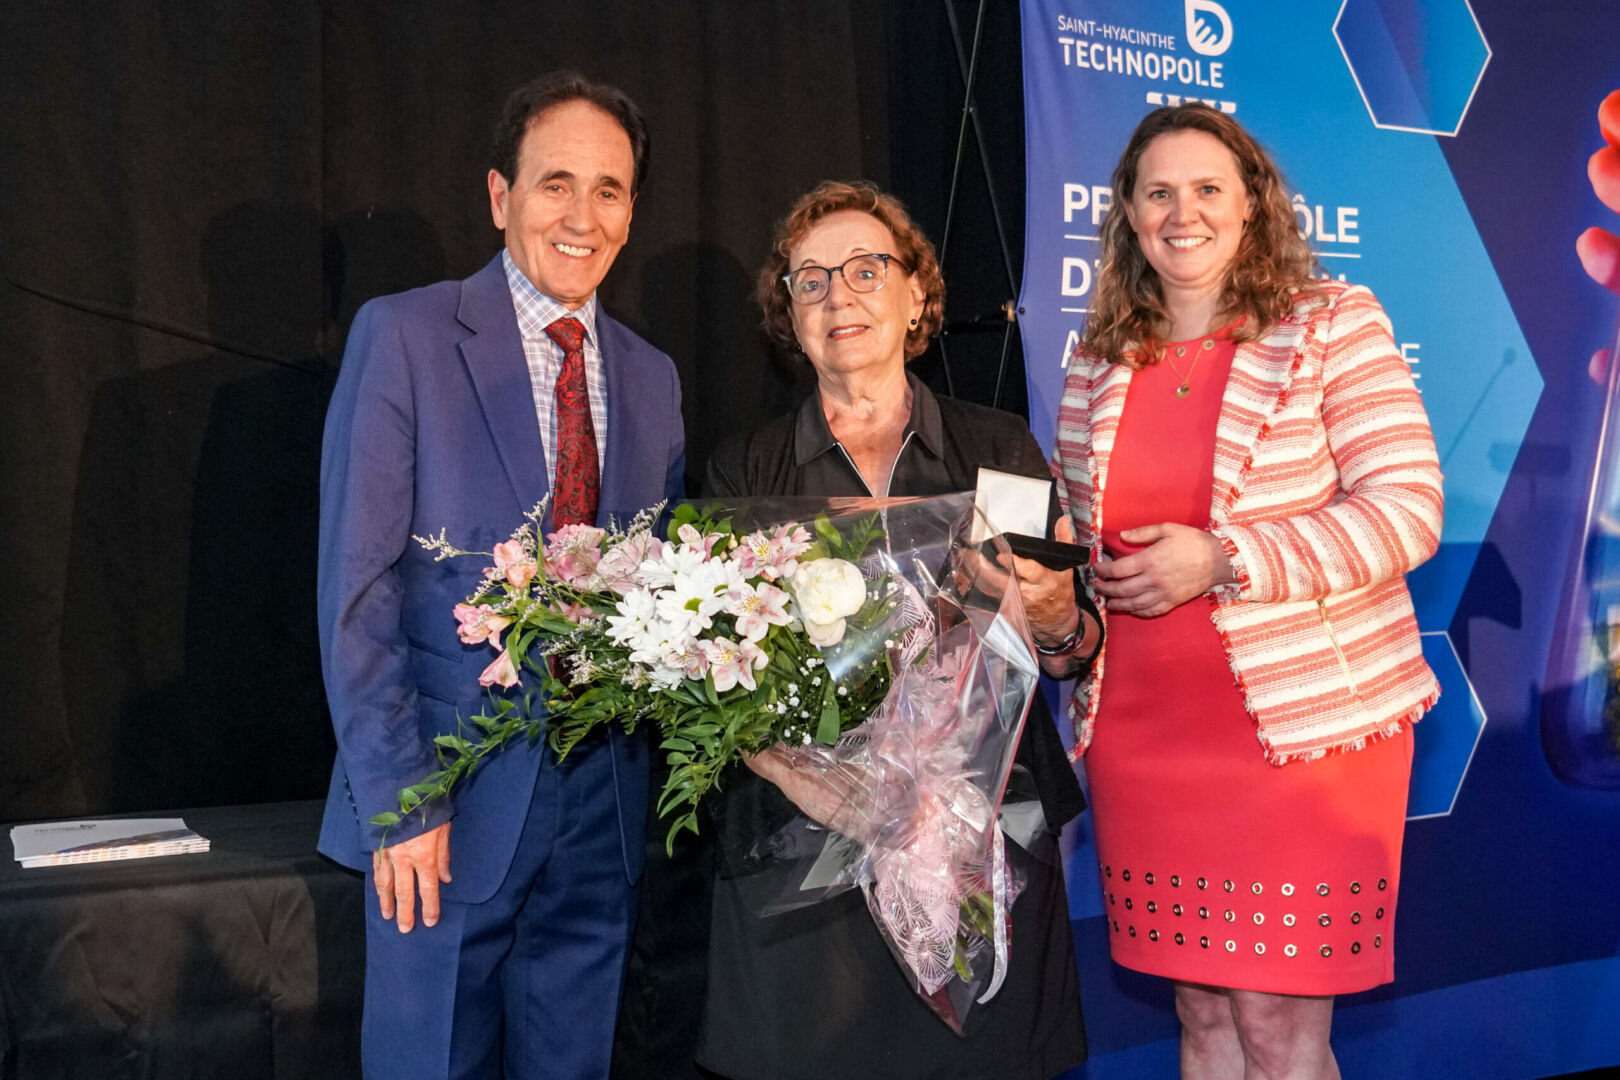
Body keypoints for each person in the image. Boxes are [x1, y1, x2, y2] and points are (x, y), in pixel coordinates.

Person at [1038, 102, 1442, 1079]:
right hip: (1142, 739)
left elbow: (1409, 510)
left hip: (1301, 737)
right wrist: (1043, 588)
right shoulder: (1096, 366)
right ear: (1127, 214)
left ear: (1252, 206)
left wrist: (1223, 559)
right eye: (1159, 192)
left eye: (1208, 188)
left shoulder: (1331, 325)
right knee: (1203, 1017)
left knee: (1277, 1026)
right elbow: (1073, 547)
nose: (1184, 213)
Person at [315, 72, 684, 1080]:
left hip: (599, 819)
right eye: (554, 183)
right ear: (498, 195)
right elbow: (358, 593)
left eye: (608, 190)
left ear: (632, 211)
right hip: (444, 810)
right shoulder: (407, 336)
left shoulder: (653, 376)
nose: (581, 215)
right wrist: (401, 803)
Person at [692, 180, 1092, 1080]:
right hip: (802, 850)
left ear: (918, 295)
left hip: (978, 842)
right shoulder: (744, 466)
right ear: (788, 313)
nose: (842, 295)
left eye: (869, 269)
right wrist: (817, 785)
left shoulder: (1000, 449)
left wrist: (1060, 613)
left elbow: (1065, 652)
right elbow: (706, 674)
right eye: (812, 279)